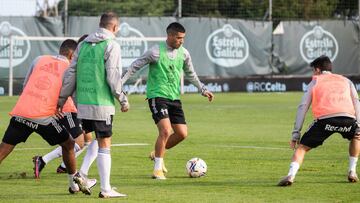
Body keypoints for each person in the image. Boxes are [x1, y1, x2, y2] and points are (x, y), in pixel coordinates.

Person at [121, 22, 214, 180]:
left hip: (174, 97)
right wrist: (120, 83)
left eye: (183, 38)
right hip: (157, 96)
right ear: (170, 36)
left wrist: (202, 89)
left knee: (182, 134)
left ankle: (157, 153)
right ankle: (157, 169)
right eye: (178, 38)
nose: (181, 41)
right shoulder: (155, 52)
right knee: (165, 131)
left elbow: (191, 74)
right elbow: (135, 66)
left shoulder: (184, 53)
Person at [0, 39, 91, 195]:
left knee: (4, 148)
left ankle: (69, 181)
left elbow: (26, 84)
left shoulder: (39, 59)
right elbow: (69, 94)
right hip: (42, 116)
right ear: (72, 54)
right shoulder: (70, 67)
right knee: (69, 145)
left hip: (22, 110)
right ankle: (73, 185)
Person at [57, 12, 128, 198]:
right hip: (102, 103)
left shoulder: (83, 44)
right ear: (114, 27)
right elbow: (113, 77)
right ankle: (106, 189)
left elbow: (70, 73)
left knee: (96, 140)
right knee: (105, 143)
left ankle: (82, 174)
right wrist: (122, 98)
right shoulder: (111, 45)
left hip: (83, 104)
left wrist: (62, 98)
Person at [278, 55, 360, 186]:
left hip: (325, 120)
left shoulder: (315, 82)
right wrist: (359, 125)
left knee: (302, 148)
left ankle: (290, 176)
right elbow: (356, 101)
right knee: (356, 137)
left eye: (313, 71)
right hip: (348, 119)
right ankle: (352, 171)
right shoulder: (346, 81)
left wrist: (296, 133)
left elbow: (303, 107)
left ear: (317, 70)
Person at [32, 35, 96, 184]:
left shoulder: (76, 61)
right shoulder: (73, 63)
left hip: (76, 107)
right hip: (68, 107)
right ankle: (43, 160)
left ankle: (62, 166)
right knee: (78, 143)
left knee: (87, 139)